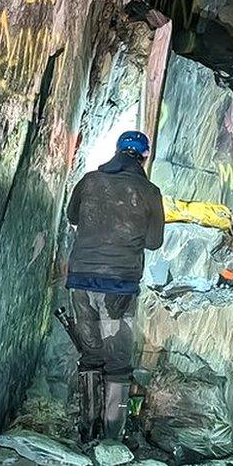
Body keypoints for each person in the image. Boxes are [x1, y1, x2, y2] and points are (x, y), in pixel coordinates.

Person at [65, 130, 165, 443]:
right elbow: (154, 241)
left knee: (91, 355)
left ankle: (87, 431)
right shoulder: (150, 191)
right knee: (118, 361)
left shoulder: (90, 180)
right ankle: (112, 436)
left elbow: (72, 216)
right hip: (118, 288)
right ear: (144, 157)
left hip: (80, 281)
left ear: (118, 150)